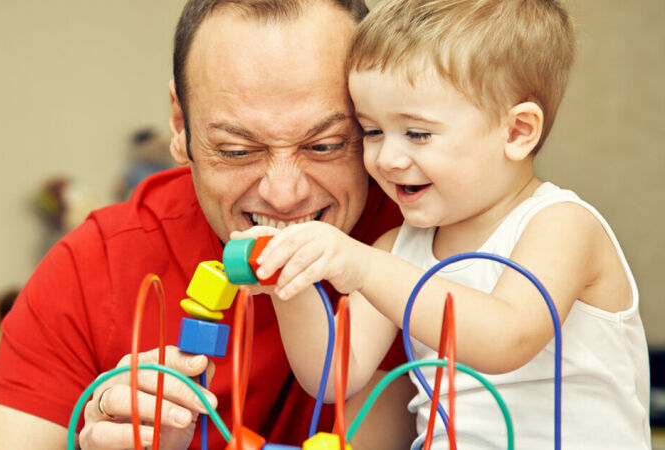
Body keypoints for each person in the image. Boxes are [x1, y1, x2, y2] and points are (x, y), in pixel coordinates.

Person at [0, 1, 417, 449]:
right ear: (180, 125)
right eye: (238, 151)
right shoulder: (96, 264)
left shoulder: (428, 239)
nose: (284, 193)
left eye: (327, 145)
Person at [236, 0, 651, 448]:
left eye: (417, 133)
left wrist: (365, 268)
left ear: (516, 132)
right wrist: (289, 279)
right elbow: (332, 374)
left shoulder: (562, 225)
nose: (387, 158)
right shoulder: (398, 247)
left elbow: (505, 339)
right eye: (372, 131)